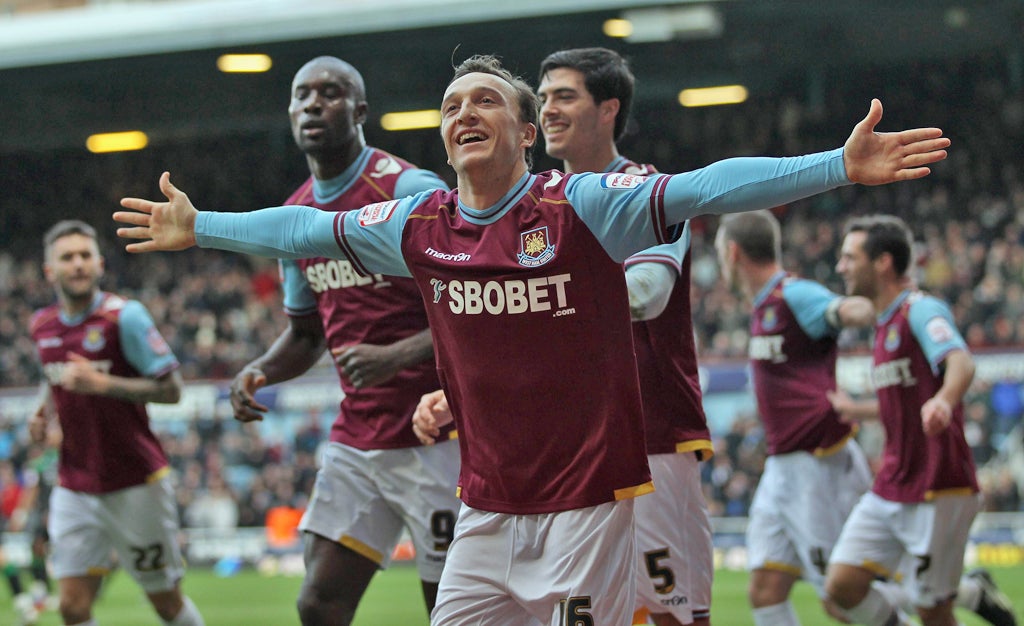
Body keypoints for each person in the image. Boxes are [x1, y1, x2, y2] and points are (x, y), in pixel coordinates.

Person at [114, 54, 950, 625]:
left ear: (522, 131)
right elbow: (303, 228)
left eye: (485, 102)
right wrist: (205, 226)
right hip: (485, 507)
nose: (463, 113)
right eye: (450, 107)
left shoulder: (582, 204)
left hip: (590, 503)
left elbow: (709, 185)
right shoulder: (416, 224)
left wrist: (837, 166)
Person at [227, 56, 459, 625]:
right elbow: (307, 335)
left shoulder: (408, 188)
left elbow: (471, 305)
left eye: (329, 93)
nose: (312, 104)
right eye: (301, 95)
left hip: (440, 432)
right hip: (359, 436)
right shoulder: (295, 216)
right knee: (318, 603)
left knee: (450, 609)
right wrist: (259, 370)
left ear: (359, 110)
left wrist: (397, 355)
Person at [537, 46, 713, 626]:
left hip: (652, 434)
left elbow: (646, 295)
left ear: (608, 107)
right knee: (578, 613)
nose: (548, 110)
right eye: (542, 99)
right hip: (568, 443)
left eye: (564, 96)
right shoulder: (532, 204)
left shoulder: (650, 192)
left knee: (672, 615)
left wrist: (547, 301)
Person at [825, 215, 1016, 626]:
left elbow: (961, 362)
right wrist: (855, 410)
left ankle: (970, 594)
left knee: (934, 610)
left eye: (849, 258)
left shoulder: (920, 309)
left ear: (882, 263)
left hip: (939, 484)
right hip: (893, 482)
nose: (840, 267)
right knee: (840, 590)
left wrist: (945, 400)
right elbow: (900, 404)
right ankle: (972, 591)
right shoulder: (881, 325)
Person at [28, 220, 204, 626]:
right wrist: (43, 414)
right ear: (49, 271)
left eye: (85, 256)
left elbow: (171, 390)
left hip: (135, 482)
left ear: (100, 265)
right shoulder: (42, 326)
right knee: (71, 606)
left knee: (165, 601)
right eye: (67, 258)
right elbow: (51, 378)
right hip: (74, 484)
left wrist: (102, 382)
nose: (78, 265)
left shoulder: (124, 317)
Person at [715, 209, 879, 625]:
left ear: (732, 253)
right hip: (783, 466)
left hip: (818, 464)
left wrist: (863, 308)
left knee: (842, 598)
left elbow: (846, 311)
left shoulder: (793, 295)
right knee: (766, 588)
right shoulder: (765, 305)